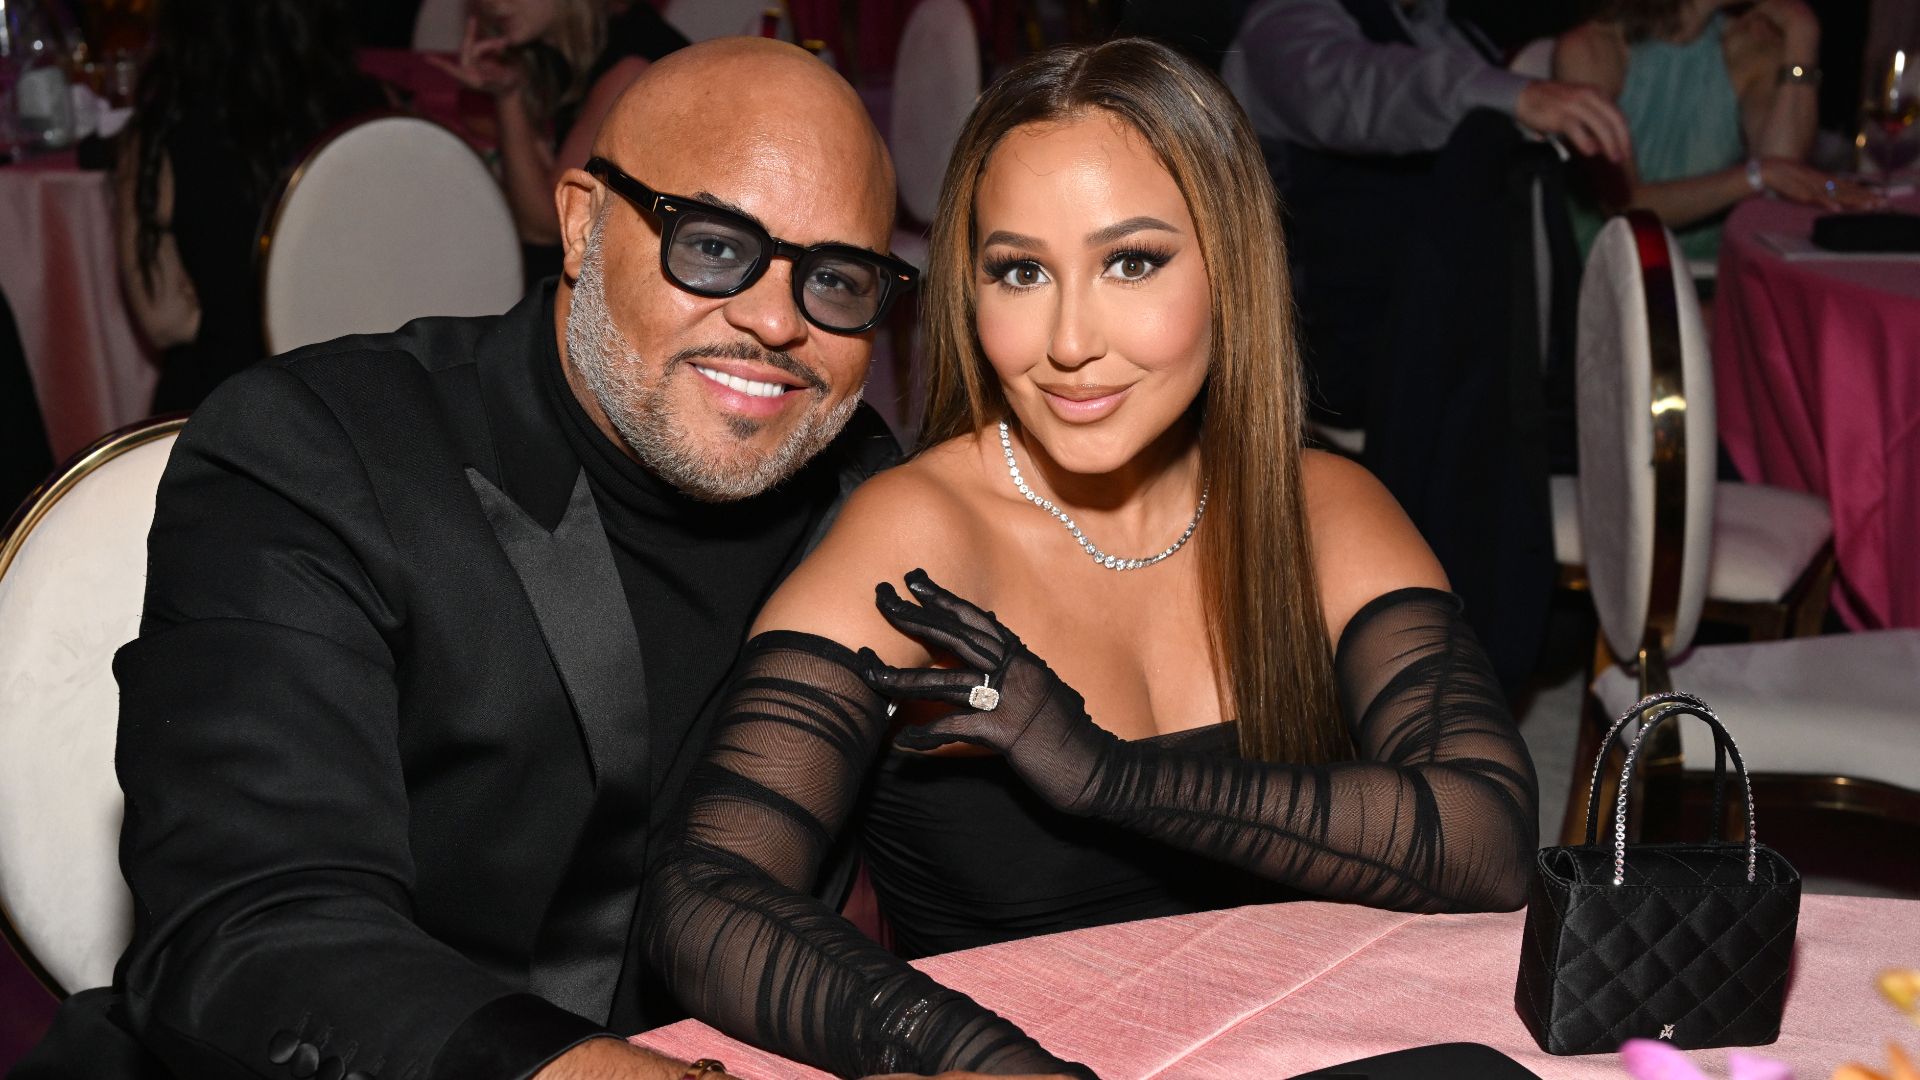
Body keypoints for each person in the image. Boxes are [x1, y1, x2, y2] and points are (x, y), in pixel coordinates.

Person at [17, 37, 939, 1080]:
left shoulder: (867, 501)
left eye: (838, 279)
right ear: (586, 224)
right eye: (715, 246)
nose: (777, 321)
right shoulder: (320, 454)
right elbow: (258, 930)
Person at [644, 37, 1539, 1079]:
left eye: (1132, 262)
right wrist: (980, 1062)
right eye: (1020, 271)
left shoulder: (1321, 509)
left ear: (1230, 266)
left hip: (1311, 1046)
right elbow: (706, 896)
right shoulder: (919, 539)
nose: (1069, 340)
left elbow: (1490, 836)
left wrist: (1111, 780)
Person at [114, 0, 385, 413]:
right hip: (352, 404)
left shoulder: (167, 127)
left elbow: (165, 321)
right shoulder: (370, 108)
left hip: (225, 414)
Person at [1556, 0, 1880, 264]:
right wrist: (1755, 176)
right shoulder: (1591, 49)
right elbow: (1625, 207)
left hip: (1716, 270)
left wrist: (1801, 39)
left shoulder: (1747, 45)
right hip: (1621, 280)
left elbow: (1784, 170)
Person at [432, 0, 689, 274]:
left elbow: (546, 228)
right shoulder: (558, 51)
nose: (492, 4)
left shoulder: (631, 65)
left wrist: (508, 97)